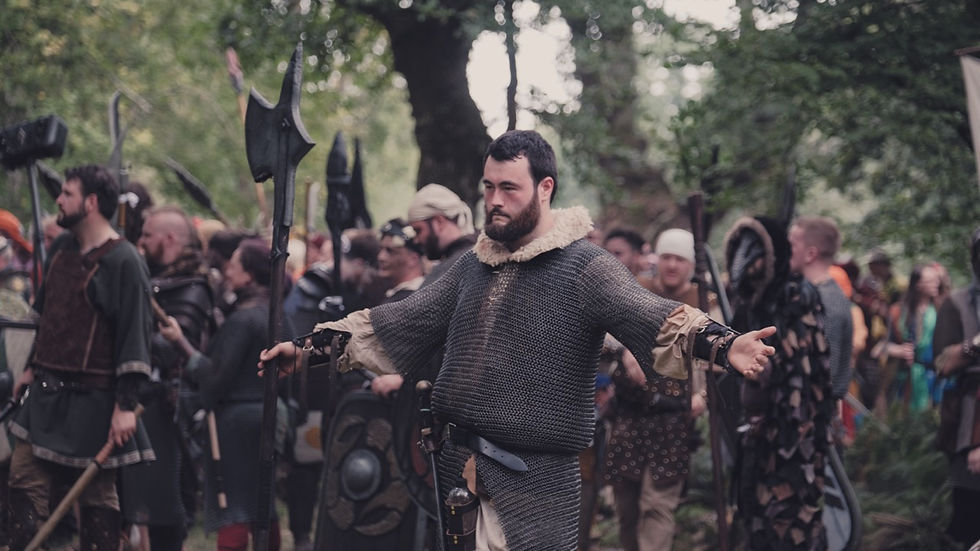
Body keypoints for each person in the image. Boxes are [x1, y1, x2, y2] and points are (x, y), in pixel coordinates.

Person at [261, 130, 775, 551]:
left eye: (509, 188)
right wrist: (306, 350)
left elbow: (652, 316)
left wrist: (725, 344)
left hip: (535, 478)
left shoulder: (585, 269)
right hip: (459, 467)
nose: (494, 202)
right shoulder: (473, 265)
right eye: (487, 188)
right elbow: (396, 322)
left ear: (545, 188)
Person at [7, 164, 155, 551]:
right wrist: (28, 368)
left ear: (90, 203)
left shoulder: (125, 261)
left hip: (96, 405)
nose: (58, 200)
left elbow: (134, 338)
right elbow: (47, 317)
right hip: (44, 397)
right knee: (22, 485)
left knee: (97, 502)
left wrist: (125, 405)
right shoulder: (62, 249)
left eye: (67, 194)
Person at [161, 238, 291, 551]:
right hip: (270, 417)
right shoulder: (277, 315)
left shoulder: (244, 320)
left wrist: (181, 343)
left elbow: (215, 377)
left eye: (234, 262)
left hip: (238, 424)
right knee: (262, 505)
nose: (227, 268)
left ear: (249, 274)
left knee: (234, 504)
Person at [725, 216, 834, 551]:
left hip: (792, 435)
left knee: (788, 520)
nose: (750, 266)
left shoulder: (796, 297)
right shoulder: (755, 303)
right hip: (760, 433)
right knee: (755, 517)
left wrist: (789, 426)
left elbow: (802, 377)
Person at [602, 227, 711, 551]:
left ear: (691, 265)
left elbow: (720, 363)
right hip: (629, 418)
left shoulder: (705, 306)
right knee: (627, 509)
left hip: (672, 422)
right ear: (656, 259)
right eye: (667, 257)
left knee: (657, 506)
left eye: (680, 259)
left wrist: (703, 397)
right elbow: (603, 330)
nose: (672, 265)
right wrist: (623, 350)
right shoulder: (635, 293)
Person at [121, 205, 215, 551]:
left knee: (165, 504)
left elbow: (169, 349)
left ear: (170, 239)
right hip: (145, 401)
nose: (140, 242)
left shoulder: (194, 285)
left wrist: (131, 330)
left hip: (170, 406)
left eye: (147, 235)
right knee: (138, 501)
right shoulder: (155, 277)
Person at [934, 227, 980, 549]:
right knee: (969, 512)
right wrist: (975, 345)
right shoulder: (957, 303)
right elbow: (942, 363)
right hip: (968, 417)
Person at [788, 216, 853, 443]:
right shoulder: (810, 295)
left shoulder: (828, 302)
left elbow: (827, 374)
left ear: (810, 254)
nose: (788, 249)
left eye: (793, 243)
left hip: (813, 424)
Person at [879, 263, 942, 412]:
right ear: (918, 284)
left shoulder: (941, 310)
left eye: (936, 280)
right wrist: (900, 350)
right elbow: (883, 346)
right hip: (903, 379)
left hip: (933, 380)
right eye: (930, 281)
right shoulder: (898, 311)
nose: (936, 284)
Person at [405, 183, 477, 285]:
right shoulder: (452, 261)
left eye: (418, 230)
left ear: (439, 222)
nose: (416, 240)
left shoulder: (469, 262)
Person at [376, 218, 426, 303]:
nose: (381, 257)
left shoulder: (412, 300)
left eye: (390, 251)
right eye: (380, 249)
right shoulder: (426, 290)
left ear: (413, 259)